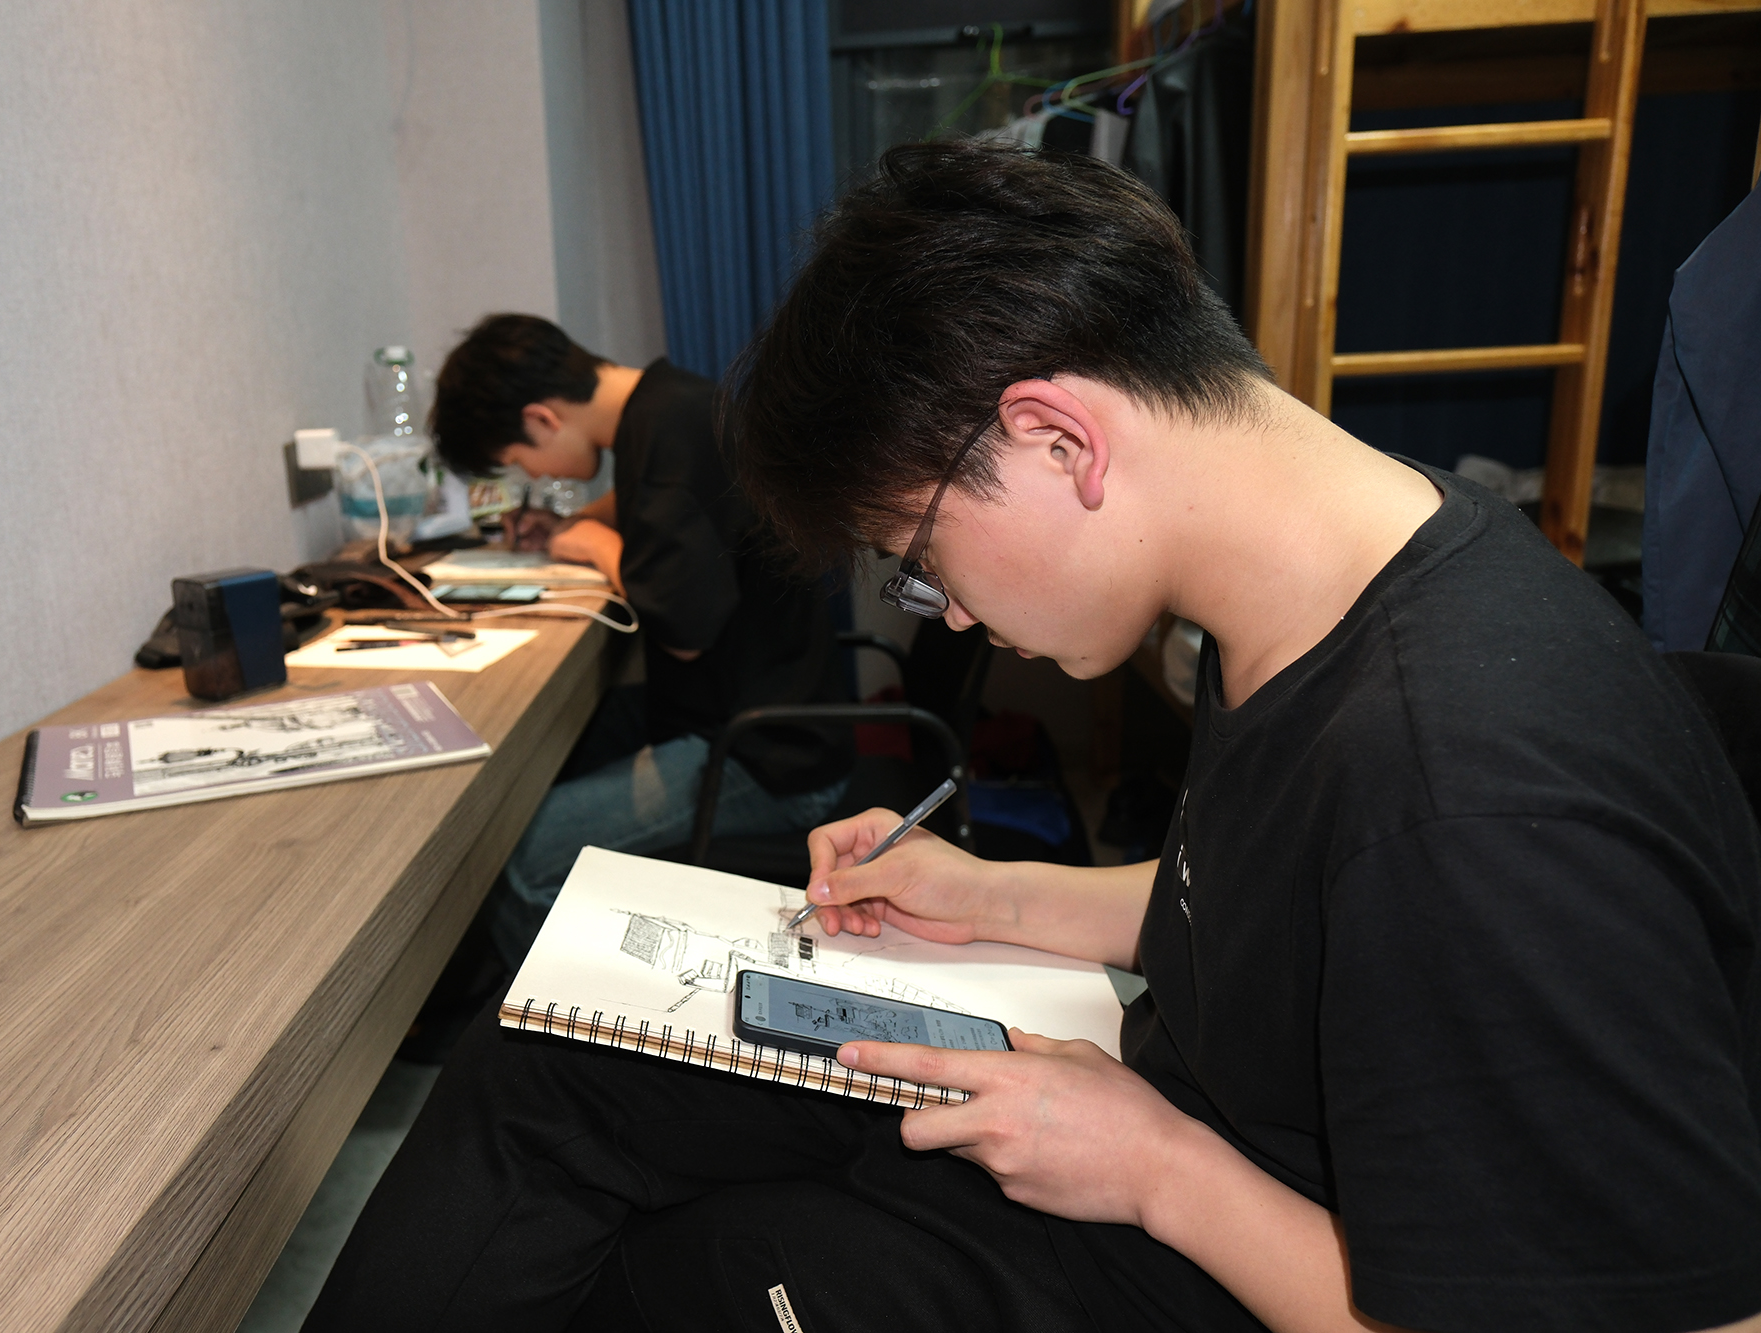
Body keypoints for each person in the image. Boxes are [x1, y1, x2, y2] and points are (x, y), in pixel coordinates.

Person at [307, 146, 1761, 1332]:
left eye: (922, 555)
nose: (949, 613)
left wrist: (1162, 1170)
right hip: (1146, 1119)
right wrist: (987, 894)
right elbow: (1284, 913)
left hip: (1201, 1237)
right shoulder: (1324, 576)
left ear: (1060, 439)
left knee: (650, 1272)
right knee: (552, 1060)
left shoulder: (1474, 790)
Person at [428, 315, 853, 964]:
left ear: (542, 419)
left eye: (518, 461)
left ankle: (579, 1015)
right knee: (535, 762)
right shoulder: (668, 403)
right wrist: (574, 523)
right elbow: (656, 503)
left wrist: (594, 543)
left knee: (518, 860)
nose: (531, 474)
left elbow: (683, 631)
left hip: (767, 755)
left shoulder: (666, 431)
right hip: (749, 709)